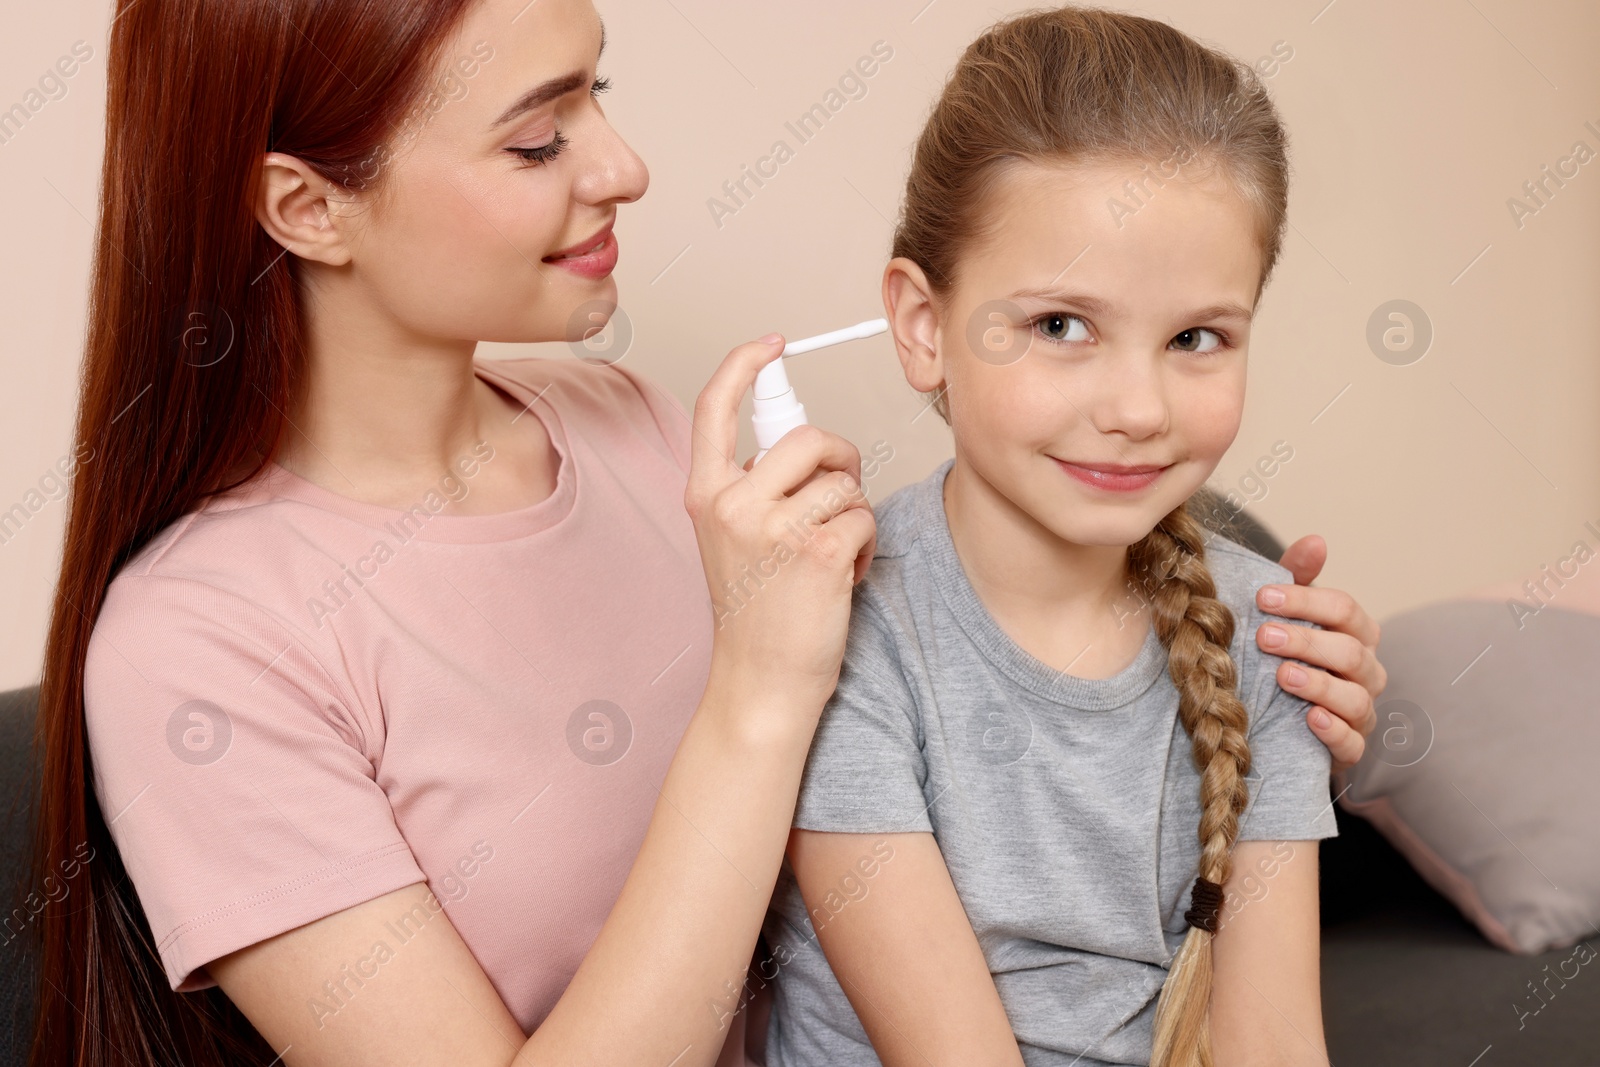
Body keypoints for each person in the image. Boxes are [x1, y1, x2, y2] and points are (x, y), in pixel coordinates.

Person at [29, 0, 1383, 1064]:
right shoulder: (198, 647)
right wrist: (758, 690)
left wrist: (1274, 690)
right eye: (538, 135)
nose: (625, 166)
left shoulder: (637, 431)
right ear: (309, 207)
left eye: (597, 93)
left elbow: (993, 677)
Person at [766, 8, 1343, 1066]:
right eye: (1060, 326)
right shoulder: (845, 623)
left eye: (1195, 337)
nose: (1137, 405)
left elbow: (1272, 1041)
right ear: (924, 325)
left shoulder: (1266, 637)